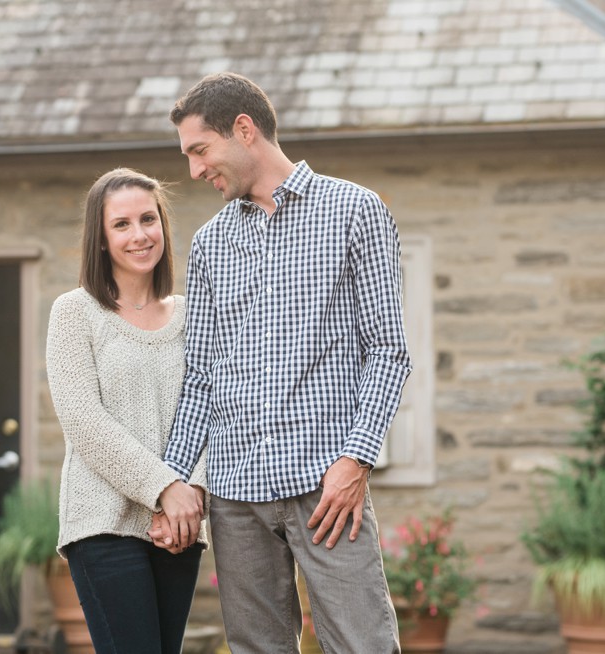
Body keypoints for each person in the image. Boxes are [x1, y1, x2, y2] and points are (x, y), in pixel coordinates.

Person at [152, 72, 412, 654]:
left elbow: (388, 350)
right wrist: (170, 482)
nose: (194, 170)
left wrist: (356, 460)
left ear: (244, 130)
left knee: (363, 643)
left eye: (200, 150)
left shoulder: (354, 211)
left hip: (326, 489)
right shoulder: (212, 243)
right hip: (236, 494)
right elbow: (201, 378)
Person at [46, 168, 207, 654]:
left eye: (148, 219)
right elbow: (84, 422)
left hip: (177, 529)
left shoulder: (192, 314)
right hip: (104, 526)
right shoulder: (75, 312)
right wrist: (164, 490)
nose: (139, 235)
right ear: (100, 239)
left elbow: (212, 409)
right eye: (121, 224)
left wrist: (190, 495)